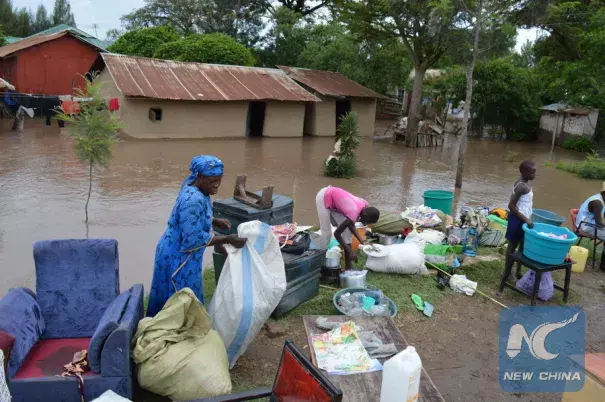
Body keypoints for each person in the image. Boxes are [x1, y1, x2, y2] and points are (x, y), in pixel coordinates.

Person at [147, 155, 246, 317]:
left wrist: (213, 221)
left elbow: (190, 218)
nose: (216, 185)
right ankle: (176, 333)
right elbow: (192, 239)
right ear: (199, 176)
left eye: (219, 180)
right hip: (178, 256)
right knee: (180, 298)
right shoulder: (192, 199)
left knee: (177, 298)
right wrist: (228, 239)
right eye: (212, 181)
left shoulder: (194, 187)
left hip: (175, 248)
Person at [316, 186, 380, 270]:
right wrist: (351, 251)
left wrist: (362, 241)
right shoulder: (354, 212)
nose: (365, 223)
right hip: (324, 196)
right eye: (366, 221)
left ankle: (348, 267)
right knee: (326, 233)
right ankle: (320, 263)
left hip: (336, 201)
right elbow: (337, 234)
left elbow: (350, 224)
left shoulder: (365, 204)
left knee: (347, 234)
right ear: (364, 215)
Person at [504, 160, 536, 279]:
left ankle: (518, 271)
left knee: (523, 245)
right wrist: (526, 220)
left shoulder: (526, 182)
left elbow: (525, 202)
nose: (534, 175)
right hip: (517, 220)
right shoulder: (521, 186)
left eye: (534, 173)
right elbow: (511, 206)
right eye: (531, 173)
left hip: (524, 218)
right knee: (512, 246)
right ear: (523, 172)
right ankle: (507, 272)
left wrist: (528, 217)